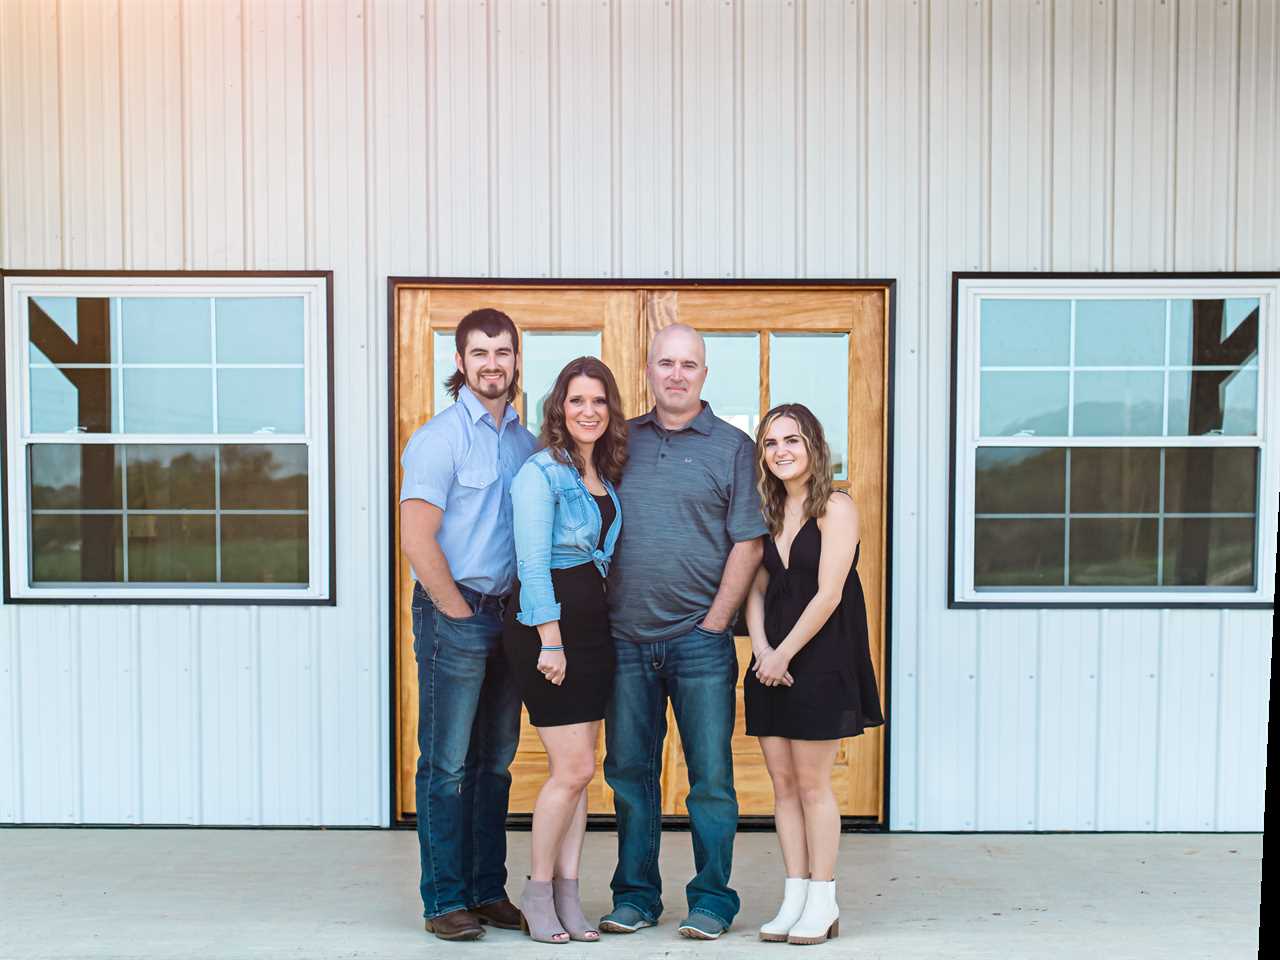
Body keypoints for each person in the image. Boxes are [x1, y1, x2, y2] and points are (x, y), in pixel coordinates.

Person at [600, 323, 767, 941]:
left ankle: (713, 899)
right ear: (648, 369)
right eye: (665, 363)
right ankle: (637, 895)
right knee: (628, 774)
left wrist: (718, 619)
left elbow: (750, 540)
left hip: (701, 642)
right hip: (624, 640)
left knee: (711, 779)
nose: (676, 374)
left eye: (688, 364)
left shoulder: (732, 446)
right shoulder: (620, 442)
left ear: (704, 373)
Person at [399, 308, 537, 942]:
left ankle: (487, 890)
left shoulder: (523, 442)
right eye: (479, 352)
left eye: (502, 352)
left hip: (508, 620)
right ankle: (444, 899)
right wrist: (456, 611)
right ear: (460, 362)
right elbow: (416, 538)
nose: (492, 363)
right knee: (448, 765)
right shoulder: (440, 438)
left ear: (514, 360)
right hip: (454, 615)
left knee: (495, 764)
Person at [744, 403, 884, 946]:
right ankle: (795, 896)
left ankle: (823, 899)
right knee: (781, 786)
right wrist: (761, 650)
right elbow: (755, 589)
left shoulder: (836, 507)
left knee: (811, 784)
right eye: (771, 442)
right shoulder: (769, 509)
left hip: (819, 659)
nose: (781, 450)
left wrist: (784, 655)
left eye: (792, 440)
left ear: (813, 448)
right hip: (770, 660)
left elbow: (829, 593)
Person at [501, 356, 627, 944]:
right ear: (560, 408)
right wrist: (550, 640)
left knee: (582, 772)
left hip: (593, 627)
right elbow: (531, 563)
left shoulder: (598, 473)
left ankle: (569, 894)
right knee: (570, 768)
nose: (588, 411)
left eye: (599, 401)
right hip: (548, 628)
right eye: (577, 400)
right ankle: (536, 889)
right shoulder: (540, 473)